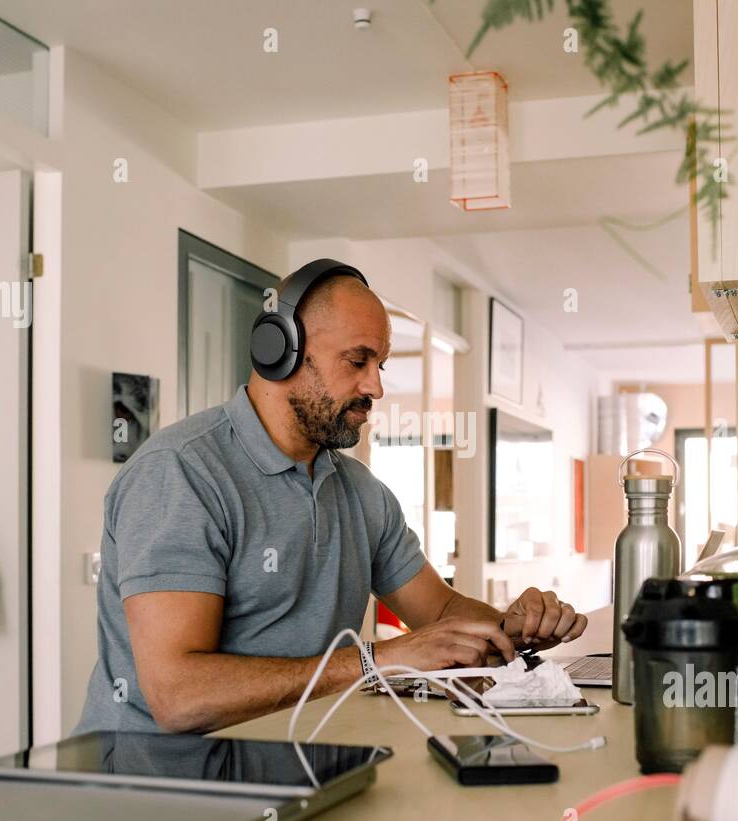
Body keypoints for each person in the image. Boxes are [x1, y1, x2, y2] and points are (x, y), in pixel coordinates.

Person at [75, 260, 587, 734]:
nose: (376, 387)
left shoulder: (362, 494)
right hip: (161, 787)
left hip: (295, 758)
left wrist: (511, 627)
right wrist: (378, 660)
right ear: (279, 351)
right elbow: (179, 697)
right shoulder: (181, 472)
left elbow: (442, 609)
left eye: (380, 364)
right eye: (358, 360)